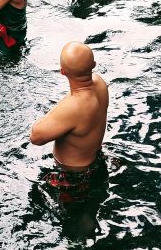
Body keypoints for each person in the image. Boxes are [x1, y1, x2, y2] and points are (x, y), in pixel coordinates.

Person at [30, 42, 109, 202]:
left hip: (73, 177)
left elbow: (36, 137)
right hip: (95, 160)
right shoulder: (100, 84)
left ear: (62, 72)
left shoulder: (74, 106)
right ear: (93, 64)